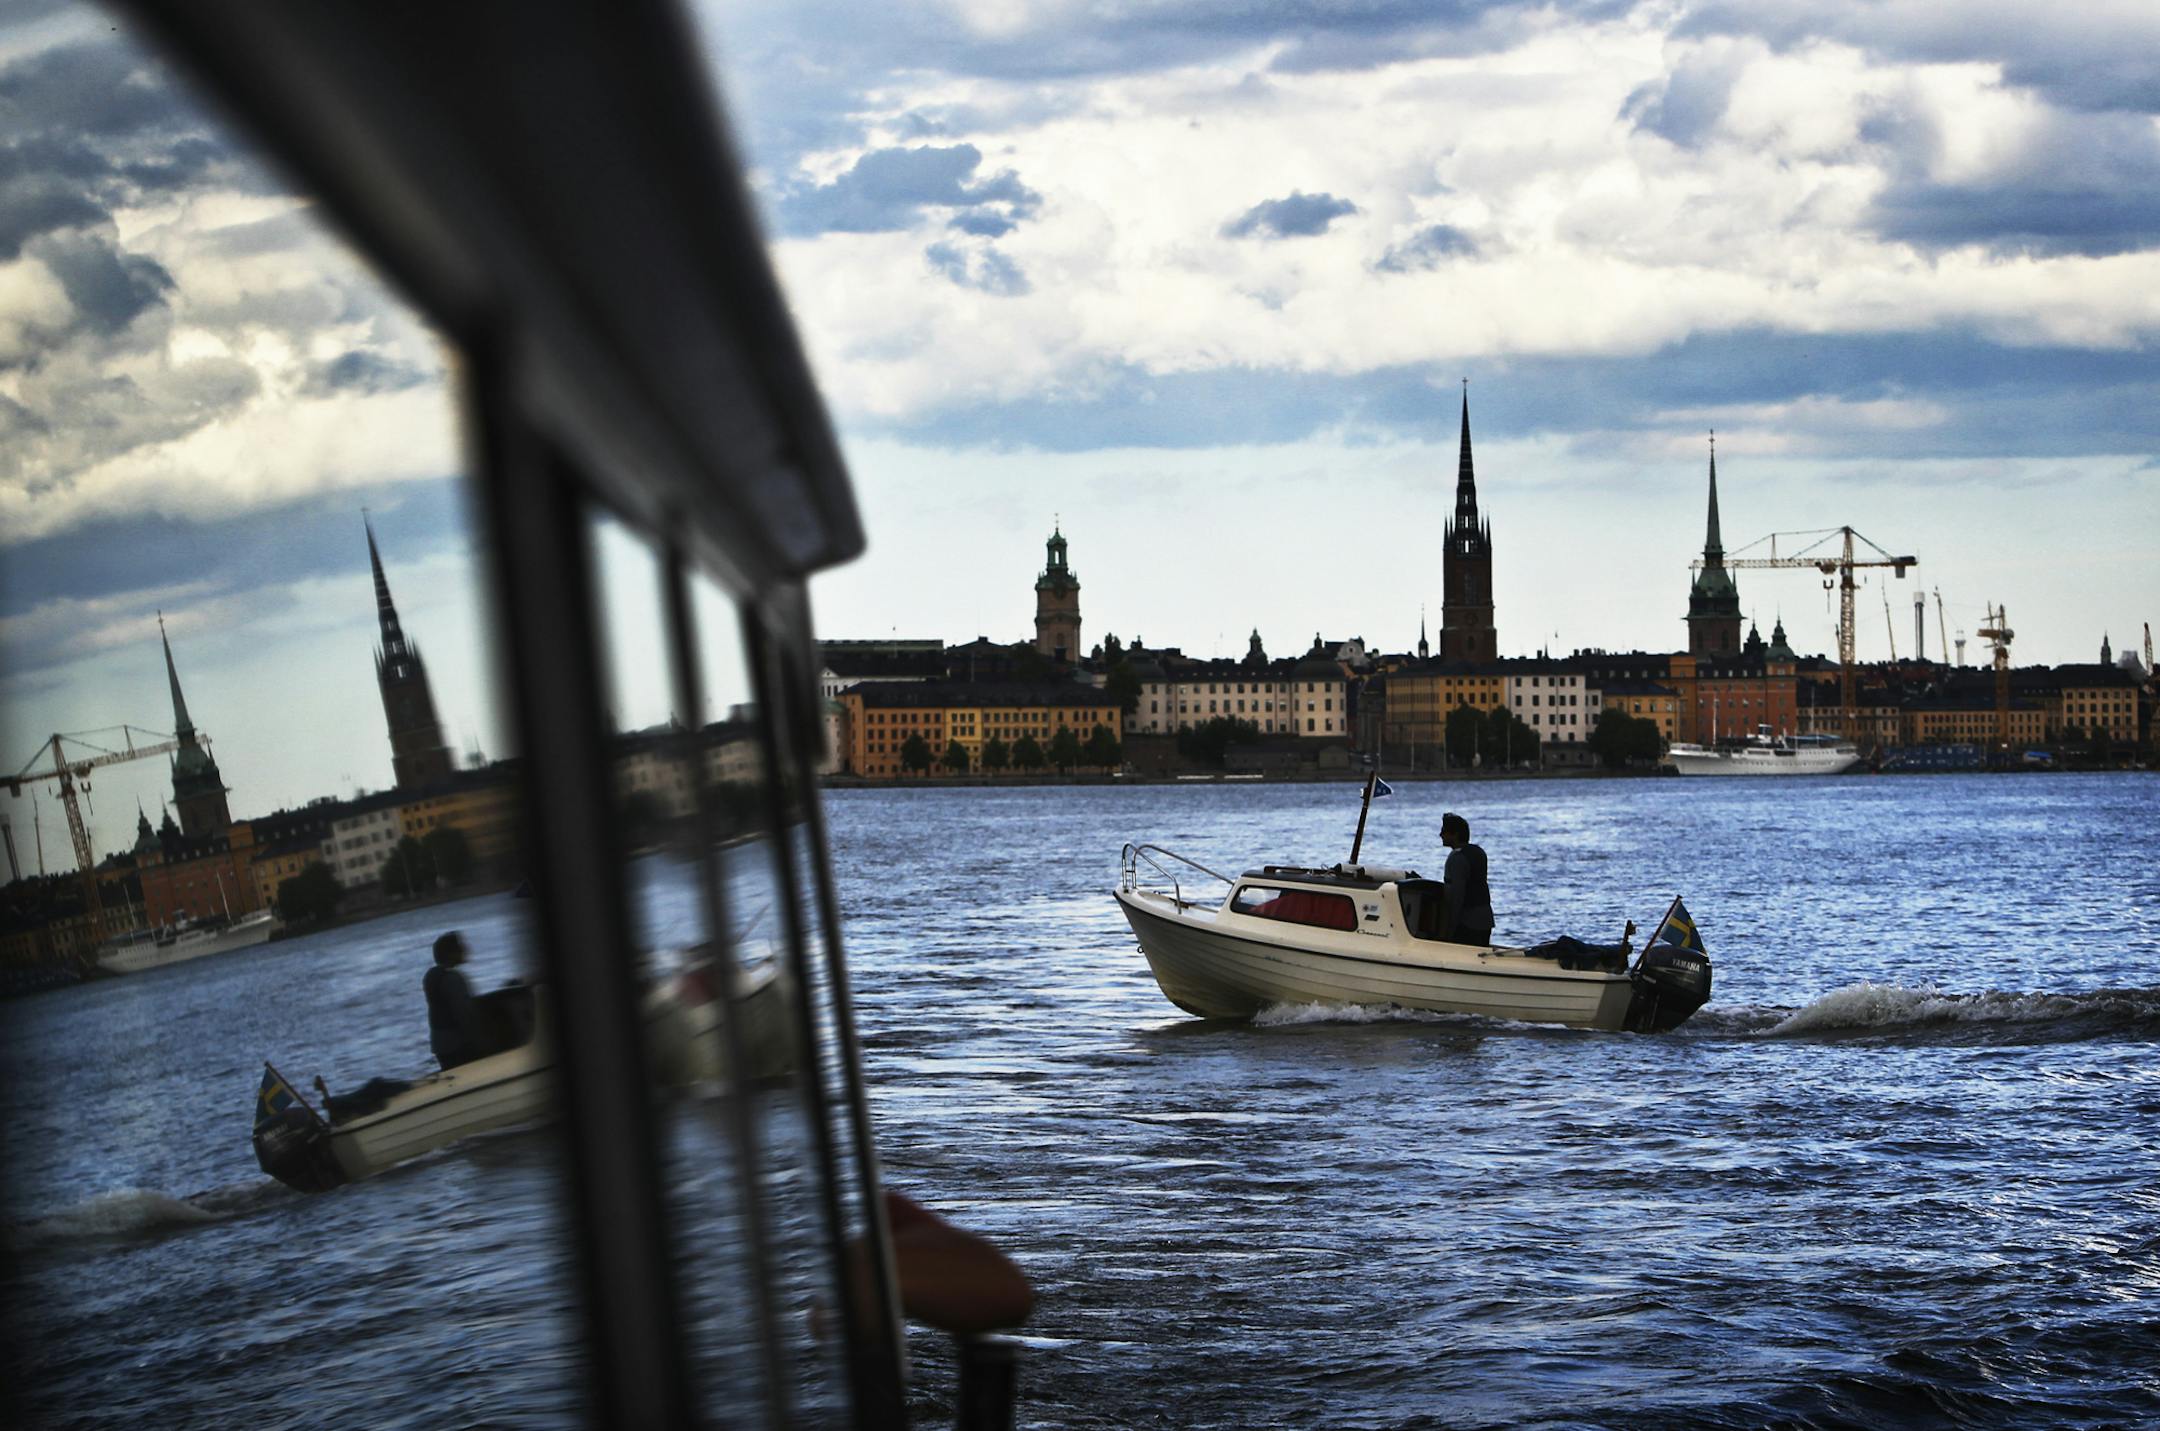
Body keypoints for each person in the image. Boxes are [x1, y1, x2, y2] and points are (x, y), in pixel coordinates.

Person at [423, 930, 480, 1069]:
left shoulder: (431, 976)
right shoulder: (453, 978)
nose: (465, 949)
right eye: (460, 947)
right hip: (457, 1045)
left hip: (440, 1045)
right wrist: (477, 1040)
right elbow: (463, 1014)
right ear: (451, 953)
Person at [1439, 812, 1493, 946]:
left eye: (1444, 831)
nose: (1440, 835)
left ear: (1455, 834)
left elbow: (1457, 896)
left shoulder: (1457, 859)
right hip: (1485, 919)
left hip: (1467, 923)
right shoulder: (1479, 852)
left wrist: (1450, 929)